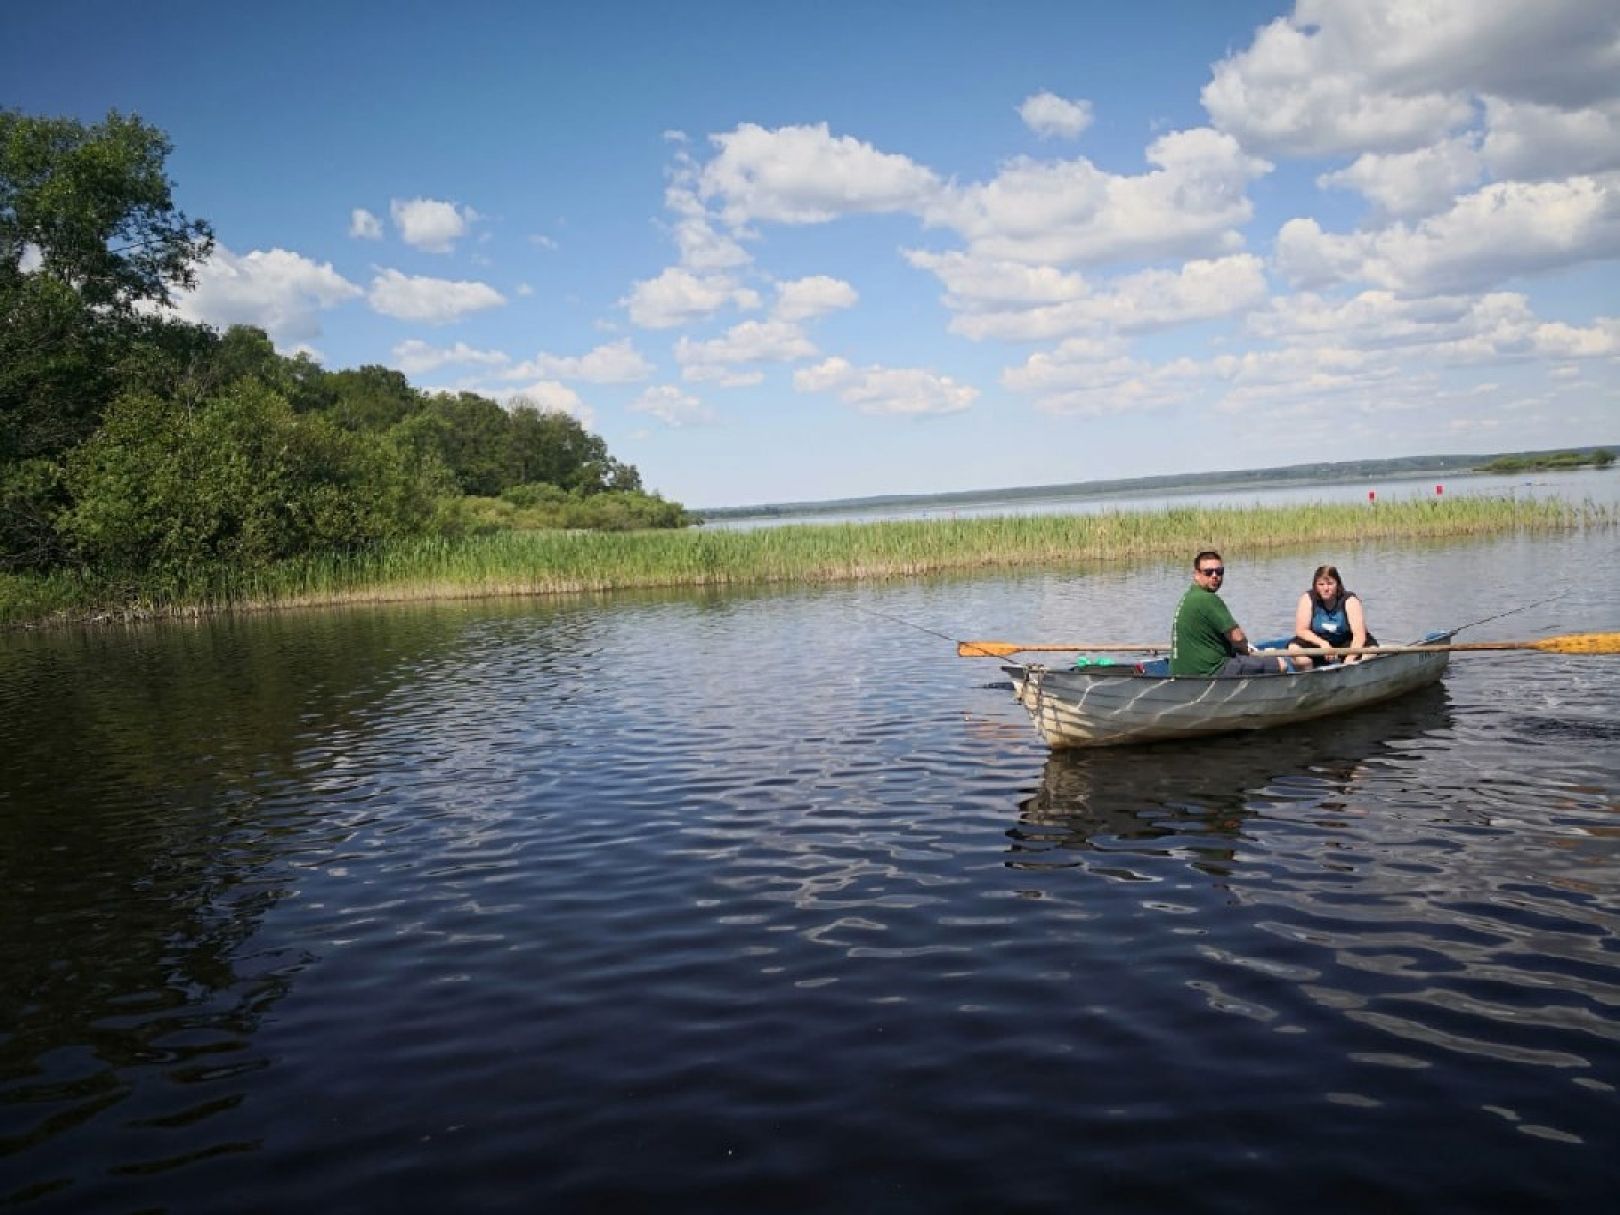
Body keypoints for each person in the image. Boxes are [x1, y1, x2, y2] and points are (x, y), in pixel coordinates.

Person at [1171, 551, 1304, 677]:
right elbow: (1238, 637)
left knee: (1255, 659)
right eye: (1208, 572)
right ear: (1196, 574)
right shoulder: (1208, 599)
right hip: (1211, 670)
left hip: (1182, 671)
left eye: (1219, 571)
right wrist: (1248, 653)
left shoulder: (1189, 596)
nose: (1214, 576)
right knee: (1280, 664)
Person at [1290, 564, 1376, 665]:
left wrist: (1351, 657)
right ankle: (1308, 674)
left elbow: (1359, 635)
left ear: (1337, 584)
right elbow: (1301, 630)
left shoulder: (1350, 601)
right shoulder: (1308, 598)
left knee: (1368, 654)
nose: (1326, 588)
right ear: (1315, 586)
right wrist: (1323, 643)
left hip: (1347, 641)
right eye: (1321, 584)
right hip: (1319, 642)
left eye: (1330, 584)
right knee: (1294, 648)